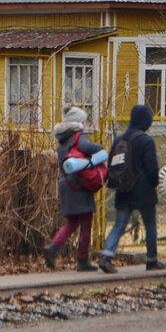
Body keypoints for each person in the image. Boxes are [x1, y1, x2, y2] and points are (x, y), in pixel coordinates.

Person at [97, 104, 166, 273]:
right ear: (146, 121)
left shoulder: (119, 139)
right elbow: (151, 168)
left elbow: (113, 164)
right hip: (144, 191)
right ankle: (151, 260)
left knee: (119, 224)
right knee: (150, 224)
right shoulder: (146, 141)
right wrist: (154, 183)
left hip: (123, 189)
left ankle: (106, 256)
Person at [44, 106, 108, 271]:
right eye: (84, 120)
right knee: (86, 222)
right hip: (79, 184)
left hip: (64, 183)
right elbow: (90, 148)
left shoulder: (62, 141)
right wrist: (101, 151)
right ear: (80, 122)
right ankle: (82, 260)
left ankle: (53, 247)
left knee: (72, 222)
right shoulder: (80, 137)